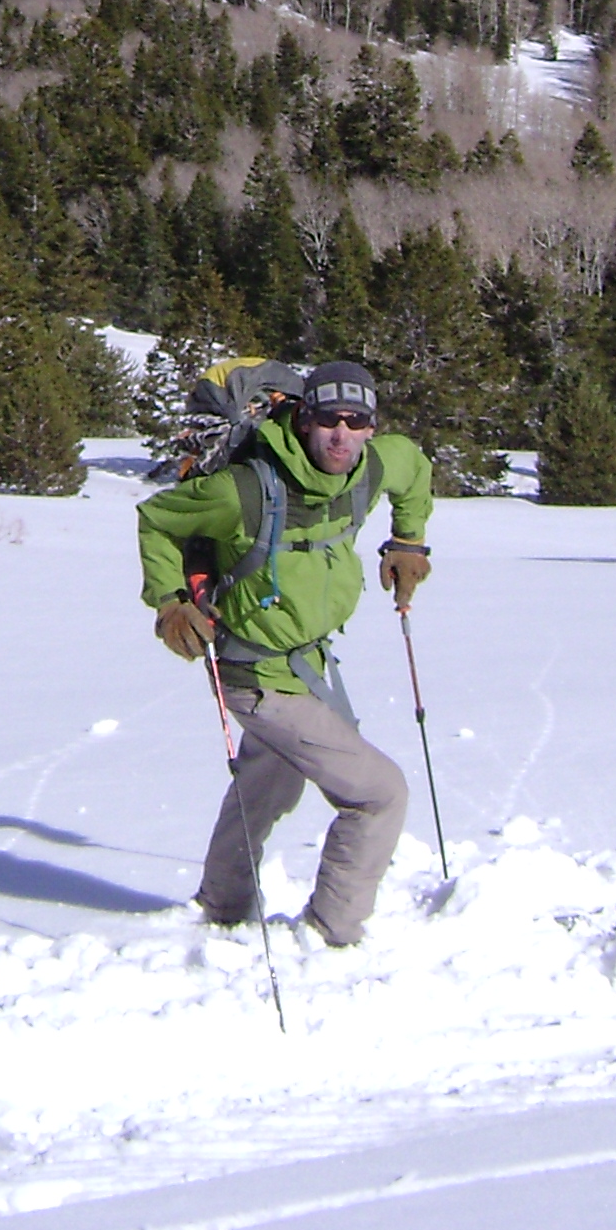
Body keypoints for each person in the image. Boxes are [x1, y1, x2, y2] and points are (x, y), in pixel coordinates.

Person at [136, 358, 432, 947]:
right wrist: (170, 603)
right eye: (327, 420)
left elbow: (415, 468)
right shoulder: (244, 491)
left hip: (308, 661)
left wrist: (407, 541)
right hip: (254, 672)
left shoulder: (374, 465)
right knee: (378, 795)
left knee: (269, 782)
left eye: (355, 421)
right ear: (302, 419)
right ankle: (330, 936)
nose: (341, 435)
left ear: (372, 426)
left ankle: (222, 905)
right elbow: (157, 519)